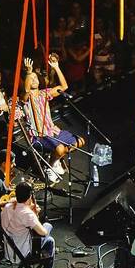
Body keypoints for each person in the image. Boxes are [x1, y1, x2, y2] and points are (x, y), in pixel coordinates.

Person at [21, 54, 85, 183]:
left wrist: (56, 67)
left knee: (80, 141)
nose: (34, 79)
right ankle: (50, 166)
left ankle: (55, 160)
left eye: (35, 77)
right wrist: (28, 72)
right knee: (60, 149)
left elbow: (64, 87)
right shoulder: (26, 98)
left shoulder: (44, 93)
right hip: (39, 136)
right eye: (31, 78)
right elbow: (26, 90)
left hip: (53, 132)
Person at [0, 182, 65, 268]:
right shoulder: (27, 214)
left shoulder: (7, 206)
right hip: (23, 253)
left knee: (48, 238)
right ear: (29, 196)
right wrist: (36, 214)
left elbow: (18, 213)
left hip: (9, 250)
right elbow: (42, 233)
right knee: (48, 229)